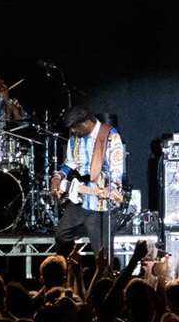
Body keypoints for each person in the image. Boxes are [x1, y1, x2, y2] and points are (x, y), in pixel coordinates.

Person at [50, 107, 126, 263]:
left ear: (86, 123)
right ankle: (70, 269)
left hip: (101, 204)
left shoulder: (110, 136)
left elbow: (116, 174)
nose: (72, 131)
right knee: (61, 235)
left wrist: (109, 190)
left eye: (75, 127)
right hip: (79, 198)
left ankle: (103, 281)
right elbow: (69, 164)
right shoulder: (74, 138)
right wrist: (58, 177)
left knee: (102, 255)